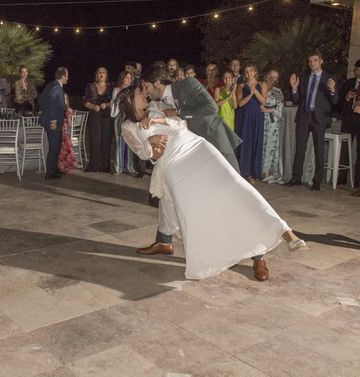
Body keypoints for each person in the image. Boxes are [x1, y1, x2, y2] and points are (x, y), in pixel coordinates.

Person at [117, 79, 306, 281]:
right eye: (140, 92)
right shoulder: (128, 127)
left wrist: (158, 121)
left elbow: (181, 123)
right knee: (195, 212)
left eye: (144, 89)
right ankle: (205, 256)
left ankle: (281, 231)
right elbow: (145, 154)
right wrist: (151, 142)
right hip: (175, 166)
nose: (145, 94)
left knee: (234, 186)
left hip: (198, 148)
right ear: (130, 100)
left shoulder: (156, 107)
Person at [161, 67, 241, 172]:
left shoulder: (192, 85)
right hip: (201, 134)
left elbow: (211, 108)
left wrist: (179, 112)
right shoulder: (176, 94)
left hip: (213, 129)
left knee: (231, 169)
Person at [285, 50, 338, 191]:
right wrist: (294, 89)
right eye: (310, 61)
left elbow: (335, 101)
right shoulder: (304, 78)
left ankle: (317, 181)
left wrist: (333, 90)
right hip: (304, 116)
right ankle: (296, 178)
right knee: (300, 148)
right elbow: (296, 100)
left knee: (319, 150)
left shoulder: (329, 78)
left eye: (315, 60)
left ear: (321, 61)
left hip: (319, 118)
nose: (312, 63)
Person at [235, 63, 267, 182]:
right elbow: (240, 103)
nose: (249, 73)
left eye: (251, 71)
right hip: (245, 117)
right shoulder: (241, 85)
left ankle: (254, 172)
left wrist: (255, 91)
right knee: (245, 142)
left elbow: (263, 101)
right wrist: (250, 94)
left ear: (255, 72)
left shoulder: (262, 84)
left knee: (255, 142)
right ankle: (244, 172)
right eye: (247, 71)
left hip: (257, 116)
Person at [38, 67, 68, 179]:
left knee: (57, 145)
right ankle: (50, 173)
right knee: (54, 147)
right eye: (67, 76)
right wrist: (53, 120)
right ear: (63, 76)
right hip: (53, 122)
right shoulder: (56, 87)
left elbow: (41, 99)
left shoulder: (51, 85)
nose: (68, 78)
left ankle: (54, 170)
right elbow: (51, 103)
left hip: (52, 120)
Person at [83, 67, 113, 172]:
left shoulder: (111, 87)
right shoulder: (90, 86)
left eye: (103, 72)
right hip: (95, 115)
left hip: (107, 115)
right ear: (96, 74)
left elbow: (114, 101)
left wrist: (107, 104)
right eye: (99, 72)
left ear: (106, 75)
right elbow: (85, 102)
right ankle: (93, 165)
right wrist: (92, 106)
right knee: (95, 139)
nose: (101, 74)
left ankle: (105, 166)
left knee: (106, 139)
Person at [339, 59, 360, 193]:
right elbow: (339, 102)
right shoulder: (349, 83)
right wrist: (347, 98)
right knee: (344, 148)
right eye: (356, 69)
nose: (357, 71)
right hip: (348, 119)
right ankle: (340, 177)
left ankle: (357, 182)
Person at [261, 70, 284, 183]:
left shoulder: (278, 92)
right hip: (261, 122)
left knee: (270, 148)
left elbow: (279, 112)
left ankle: (268, 172)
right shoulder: (261, 87)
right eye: (271, 75)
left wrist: (268, 109)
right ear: (266, 75)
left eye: (275, 77)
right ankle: (259, 171)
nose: (272, 78)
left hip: (272, 123)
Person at [110, 70, 135, 175]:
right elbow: (113, 103)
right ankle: (118, 167)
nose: (129, 80)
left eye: (130, 78)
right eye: (127, 77)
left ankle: (130, 167)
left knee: (129, 142)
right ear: (122, 78)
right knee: (119, 141)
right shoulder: (116, 90)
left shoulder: (133, 90)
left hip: (130, 119)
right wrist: (116, 102)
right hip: (119, 117)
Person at [58, 93, 78, 174]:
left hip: (65, 132)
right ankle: (62, 164)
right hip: (57, 132)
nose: (64, 101)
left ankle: (65, 164)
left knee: (67, 141)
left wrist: (72, 115)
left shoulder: (68, 110)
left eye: (65, 99)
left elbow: (70, 125)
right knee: (65, 140)